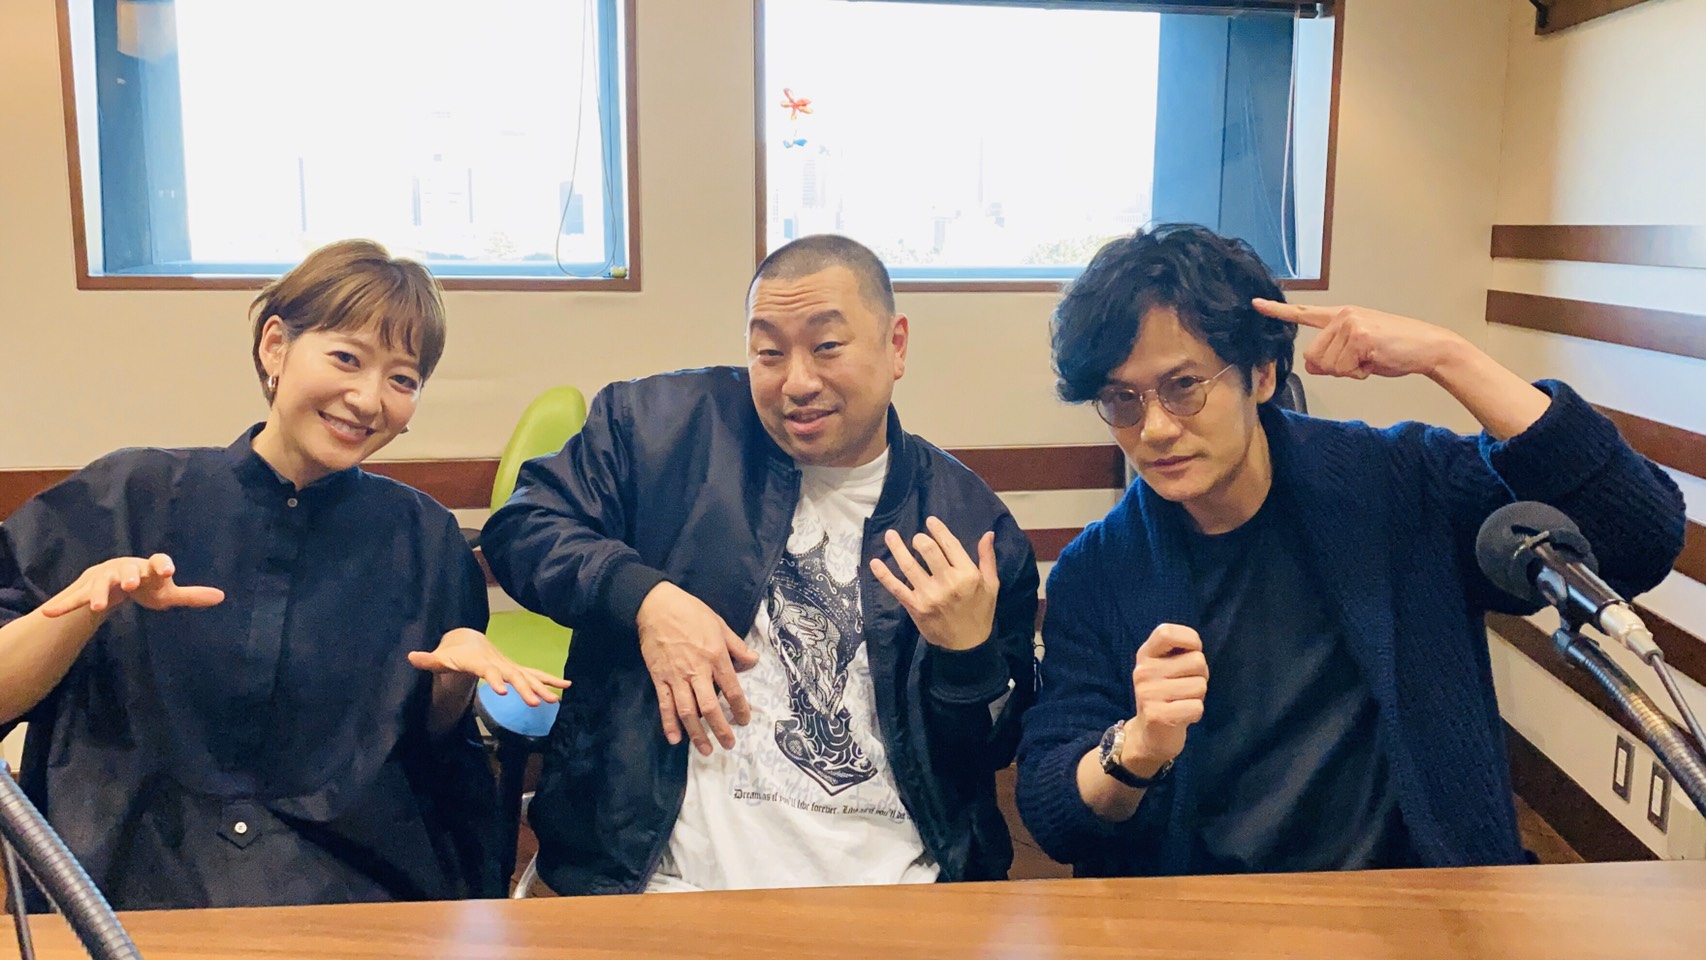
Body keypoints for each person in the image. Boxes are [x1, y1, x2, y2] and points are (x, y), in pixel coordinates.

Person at [1015, 224, 1685, 877]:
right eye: (1122, 399)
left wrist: (1449, 356)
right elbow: (1053, 812)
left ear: (1262, 374)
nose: (1155, 428)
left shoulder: (1398, 485)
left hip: (1421, 902)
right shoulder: (1099, 571)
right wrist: (1135, 749)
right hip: (1211, 916)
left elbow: (1639, 535)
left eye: (1183, 385)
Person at [0, 240, 567, 910]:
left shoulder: (426, 538)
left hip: (349, 893)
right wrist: (80, 610)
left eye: (403, 379)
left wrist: (451, 685)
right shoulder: (128, 496)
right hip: (127, 892)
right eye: (347, 358)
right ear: (275, 346)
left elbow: (433, 768)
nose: (367, 399)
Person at [482, 234, 1039, 895]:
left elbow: (993, 749)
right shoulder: (657, 431)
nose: (797, 383)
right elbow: (522, 526)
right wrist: (645, 599)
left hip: (893, 891)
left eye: (826, 347)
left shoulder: (966, 524)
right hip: (662, 885)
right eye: (769, 352)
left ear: (896, 346)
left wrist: (968, 658)